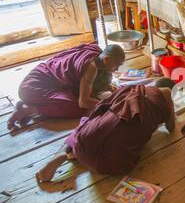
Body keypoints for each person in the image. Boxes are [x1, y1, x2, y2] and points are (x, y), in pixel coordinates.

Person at [35, 78, 176, 182]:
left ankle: (66, 154)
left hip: (84, 143)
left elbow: (99, 109)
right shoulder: (167, 92)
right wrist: (171, 110)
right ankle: (80, 157)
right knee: (136, 137)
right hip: (114, 164)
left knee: (88, 123)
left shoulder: (132, 90)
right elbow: (171, 128)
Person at [7, 43, 125, 130]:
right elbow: (83, 102)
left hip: (50, 82)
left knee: (102, 83)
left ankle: (33, 103)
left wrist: (107, 86)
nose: (117, 69)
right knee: (77, 109)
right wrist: (110, 105)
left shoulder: (97, 52)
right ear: (107, 59)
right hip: (32, 87)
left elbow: (97, 77)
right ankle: (28, 109)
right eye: (117, 65)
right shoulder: (92, 67)